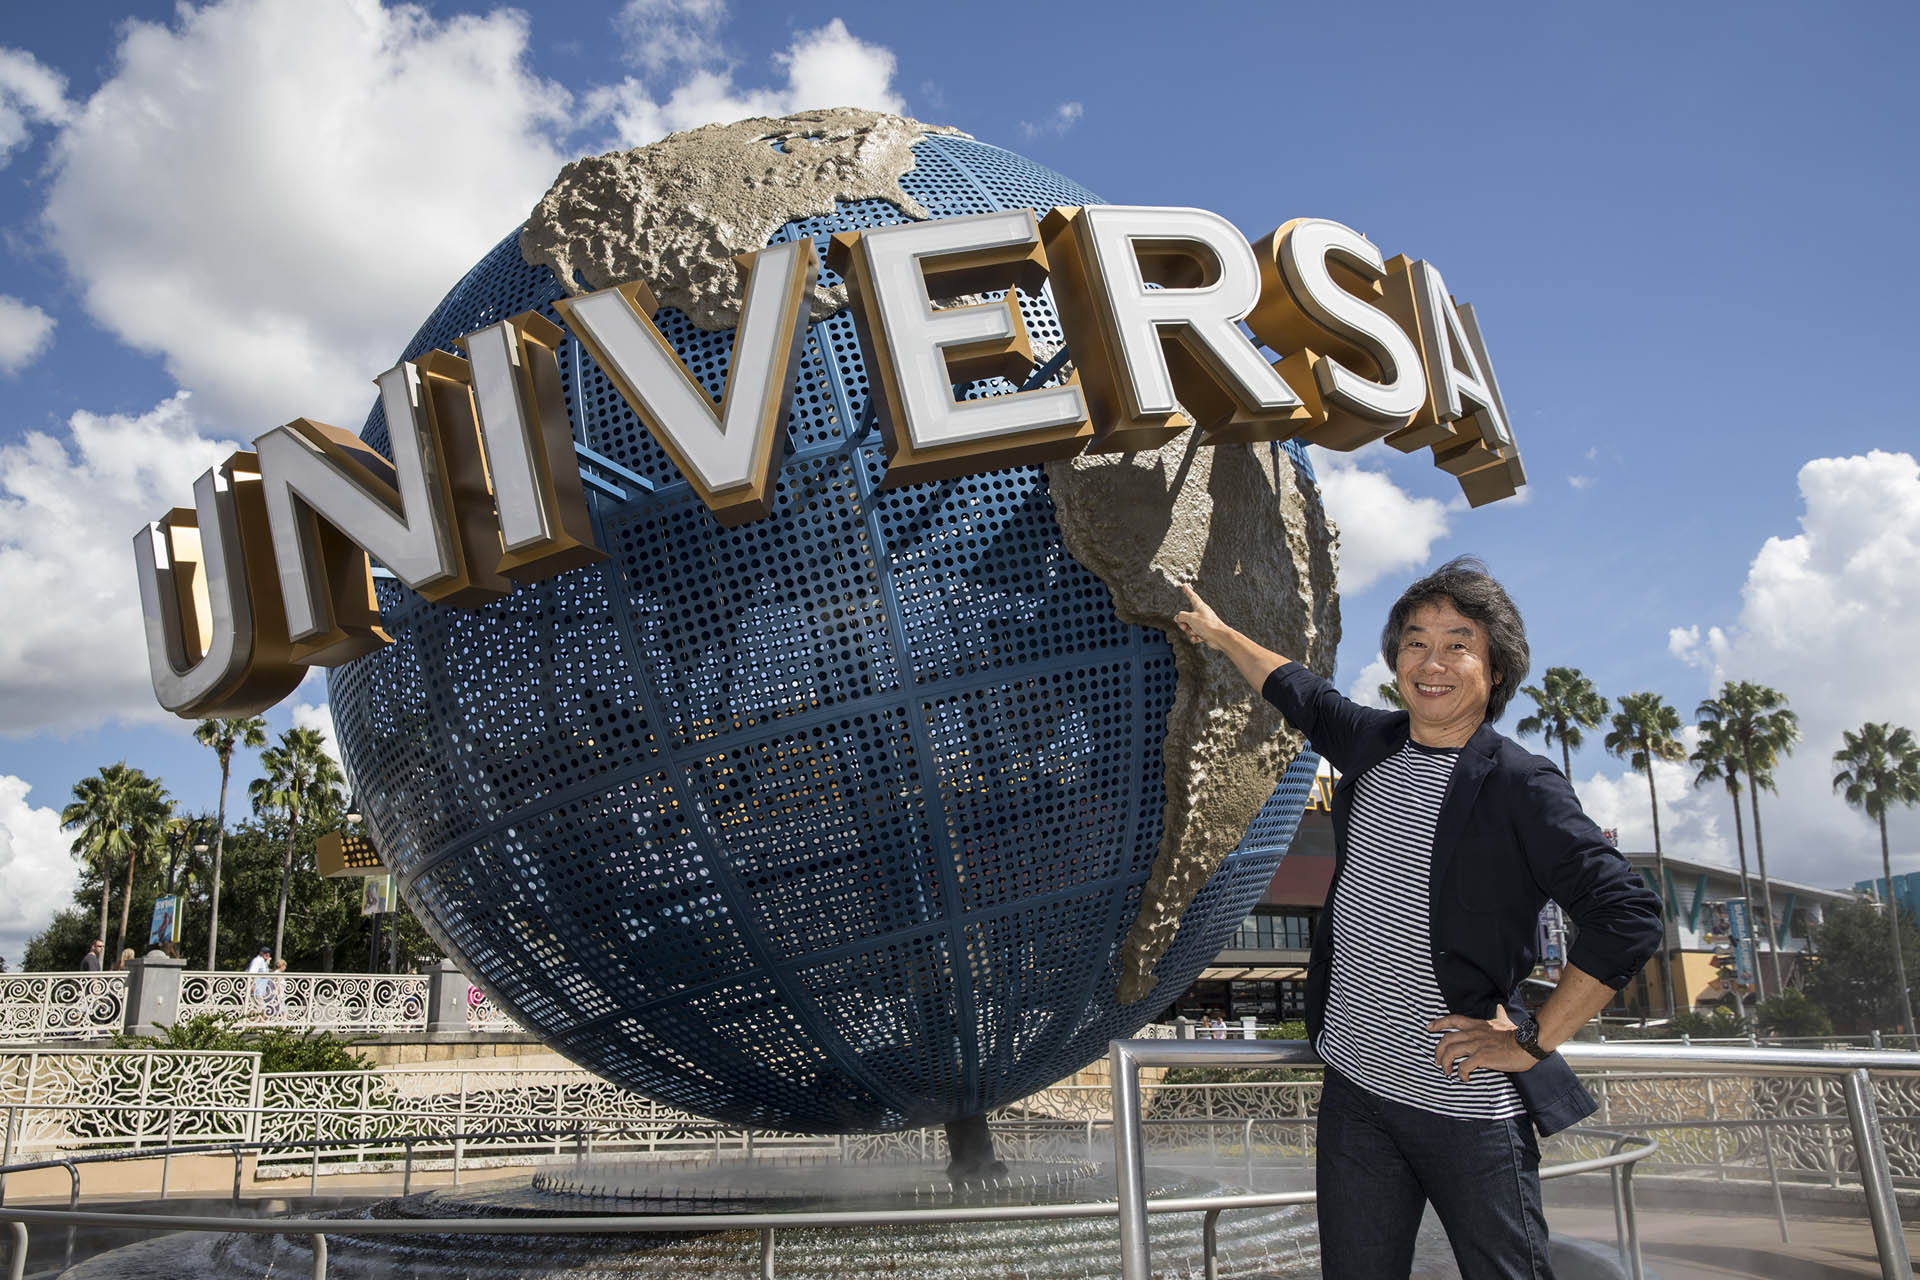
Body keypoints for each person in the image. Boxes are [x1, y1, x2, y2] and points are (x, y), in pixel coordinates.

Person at [1176, 556, 1661, 1280]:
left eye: (1457, 643)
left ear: (1496, 671)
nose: (1432, 662)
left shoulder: (1520, 786)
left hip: (1463, 1103)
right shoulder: (1373, 743)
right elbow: (1296, 688)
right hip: (1357, 1090)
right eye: (1414, 642)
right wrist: (1217, 632)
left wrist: (1533, 1038)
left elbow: (1628, 913)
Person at [248, 946, 273, 1015]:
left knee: (256, 1012)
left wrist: (267, 963)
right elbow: (251, 974)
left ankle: (252, 1025)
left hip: (260, 992)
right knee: (262, 1011)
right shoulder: (258, 960)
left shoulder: (262, 961)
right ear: (261, 953)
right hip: (256, 991)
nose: (267, 954)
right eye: (265, 953)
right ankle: (256, 1025)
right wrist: (252, 988)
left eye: (269, 953)